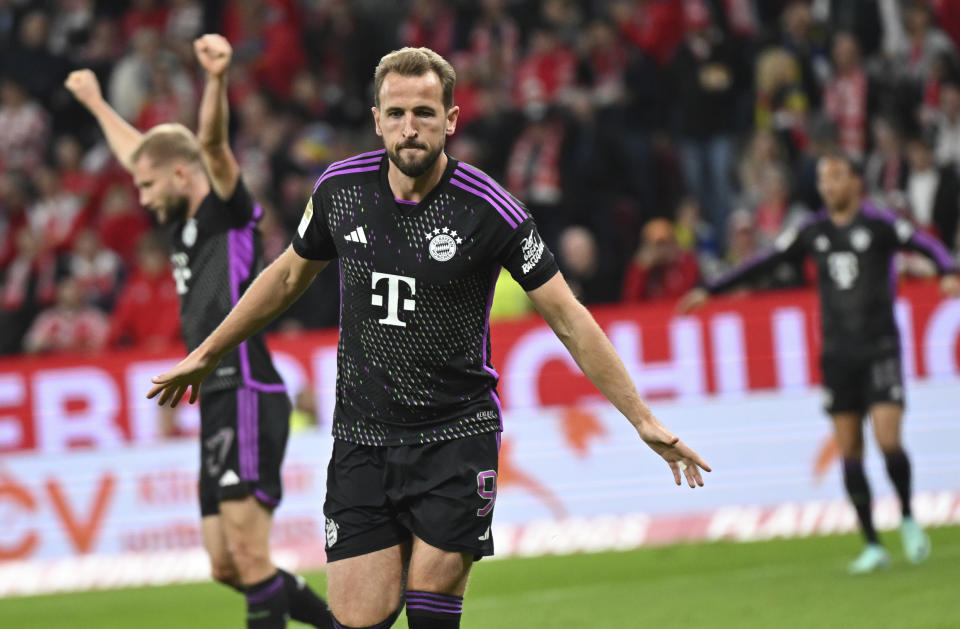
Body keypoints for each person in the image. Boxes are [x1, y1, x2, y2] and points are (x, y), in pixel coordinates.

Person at [146, 46, 711, 629]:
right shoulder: (340, 191)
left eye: (423, 112)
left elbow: (569, 318)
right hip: (361, 438)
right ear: (376, 119)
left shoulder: (491, 210)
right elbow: (288, 274)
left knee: (430, 610)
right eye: (395, 114)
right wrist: (208, 351)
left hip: (455, 437)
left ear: (451, 119)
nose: (409, 128)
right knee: (358, 618)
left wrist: (642, 418)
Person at [65, 35, 332, 629]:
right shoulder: (184, 221)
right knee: (225, 565)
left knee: (248, 552)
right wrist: (96, 104)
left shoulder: (226, 214)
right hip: (215, 399)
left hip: (244, 388)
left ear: (182, 174)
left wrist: (214, 80)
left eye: (148, 185)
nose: (142, 194)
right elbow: (145, 152)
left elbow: (210, 143)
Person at [679, 153, 960, 574]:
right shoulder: (813, 231)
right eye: (823, 179)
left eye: (835, 177)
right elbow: (766, 260)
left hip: (880, 347)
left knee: (888, 442)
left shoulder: (878, 224)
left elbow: (926, 243)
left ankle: (906, 517)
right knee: (849, 449)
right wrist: (713, 288)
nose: (827, 186)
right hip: (837, 355)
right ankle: (871, 543)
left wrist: (948, 268)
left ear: (854, 182)